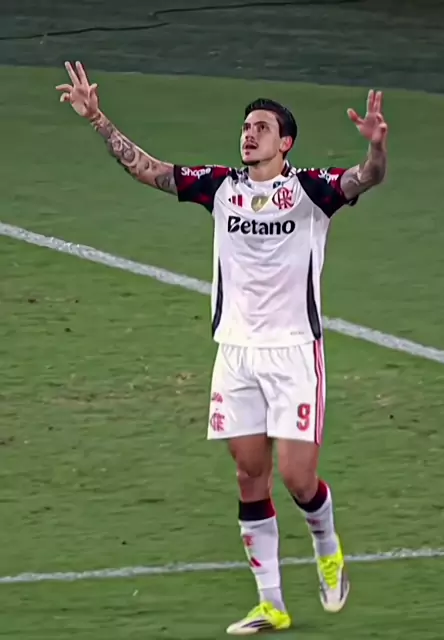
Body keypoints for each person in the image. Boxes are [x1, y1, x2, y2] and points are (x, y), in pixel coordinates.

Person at [56, 61, 387, 635]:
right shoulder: (221, 187)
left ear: (285, 142)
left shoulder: (311, 191)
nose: (249, 134)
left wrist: (376, 147)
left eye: (262, 127)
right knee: (248, 476)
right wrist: (97, 119)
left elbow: (367, 177)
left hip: (293, 352)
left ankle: (327, 547)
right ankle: (271, 603)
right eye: (246, 126)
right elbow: (151, 171)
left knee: (298, 479)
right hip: (235, 353)